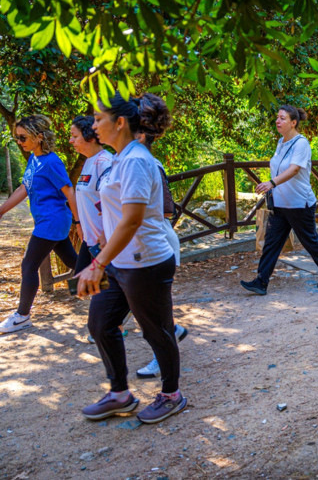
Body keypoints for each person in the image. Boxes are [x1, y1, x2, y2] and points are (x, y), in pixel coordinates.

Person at [77, 92, 187, 424]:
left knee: (157, 331)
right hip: (119, 263)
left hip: (146, 263)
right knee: (101, 324)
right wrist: (102, 254)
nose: (94, 125)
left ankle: (171, 395)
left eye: (99, 118)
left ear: (120, 122)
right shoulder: (119, 158)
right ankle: (120, 394)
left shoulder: (136, 160)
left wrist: (97, 264)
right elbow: (114, 214)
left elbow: (132, 220)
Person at [241, 105, 318, 295]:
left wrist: (271, 183)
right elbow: (279, 167)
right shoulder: (281, 142)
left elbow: (294, 169)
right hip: (280, 203)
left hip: (299, 203)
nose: (278, 121)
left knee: (309, 239)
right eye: (277, 117)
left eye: (282, 118)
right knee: (272, 242)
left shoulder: (301, 144)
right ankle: (261, 281)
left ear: (293, 123)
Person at [0, 115, 80, 333]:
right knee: (73, 261)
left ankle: (22, 316)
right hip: (49, 222)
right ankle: (112, 287)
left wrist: (78, 221)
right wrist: (2, 210)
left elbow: (69, 191)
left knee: (29, 264)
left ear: (39, 137)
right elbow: (23, 188)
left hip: (52, 221)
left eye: (23, 137)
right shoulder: (34, 160)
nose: (19, 142)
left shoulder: (52, 162)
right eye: (17, 138)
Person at [132, 129, 189, 378]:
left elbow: (167, 209)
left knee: (152, 309)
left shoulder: (146, 163)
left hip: (154, 246)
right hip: (132, 250)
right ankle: (171, 332)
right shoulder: (125, 162)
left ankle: (163, 355)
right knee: (141, 307)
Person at [69, 116, 113, 274]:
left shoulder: (105, 162)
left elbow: (113, 202)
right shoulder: (88, 161)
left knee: (95, 286)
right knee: (82, 282)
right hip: (90, 240)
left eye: (75, 136)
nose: (70, 141)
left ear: (90, 137)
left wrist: (105, 234)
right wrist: (79, 224)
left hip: (105, 243)